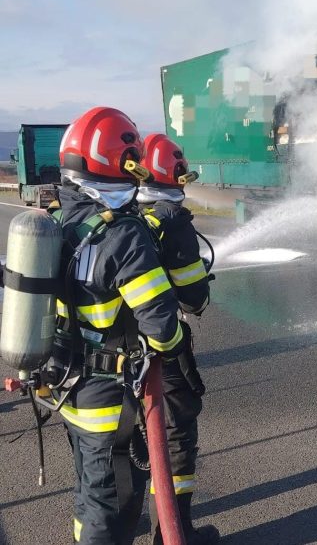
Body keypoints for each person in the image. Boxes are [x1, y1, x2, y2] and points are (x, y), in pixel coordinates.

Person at [50, 107, 186, 544]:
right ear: (122, 162)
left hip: (59, 384)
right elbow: (163, 329)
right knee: (113, 507)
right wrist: (177, 339)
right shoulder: (124, 236)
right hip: (105, 400)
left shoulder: (55, 220)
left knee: (87, 490)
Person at [138, 133, 217, 544]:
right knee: (175, 435)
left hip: (110, 353)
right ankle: (174, 530)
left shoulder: (121, 213)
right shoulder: (172, 221)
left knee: (127, 436)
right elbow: (195, 298)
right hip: (161, 350)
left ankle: (128, 521)